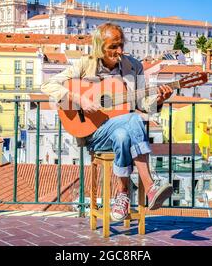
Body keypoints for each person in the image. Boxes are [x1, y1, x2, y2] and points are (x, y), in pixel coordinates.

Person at [41, 22, 174, 221]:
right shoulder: (85, 64)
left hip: (121, 130)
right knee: (133, 119)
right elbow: (48, 84)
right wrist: (80, 99)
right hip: (93, 133)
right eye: (112, 46)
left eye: (121, 45)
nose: (119, 51)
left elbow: (145, 105)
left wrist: (160, 100)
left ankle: (122, 195)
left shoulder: (133, 66)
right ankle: (150, 186)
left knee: (124, 133)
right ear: (99, 47)